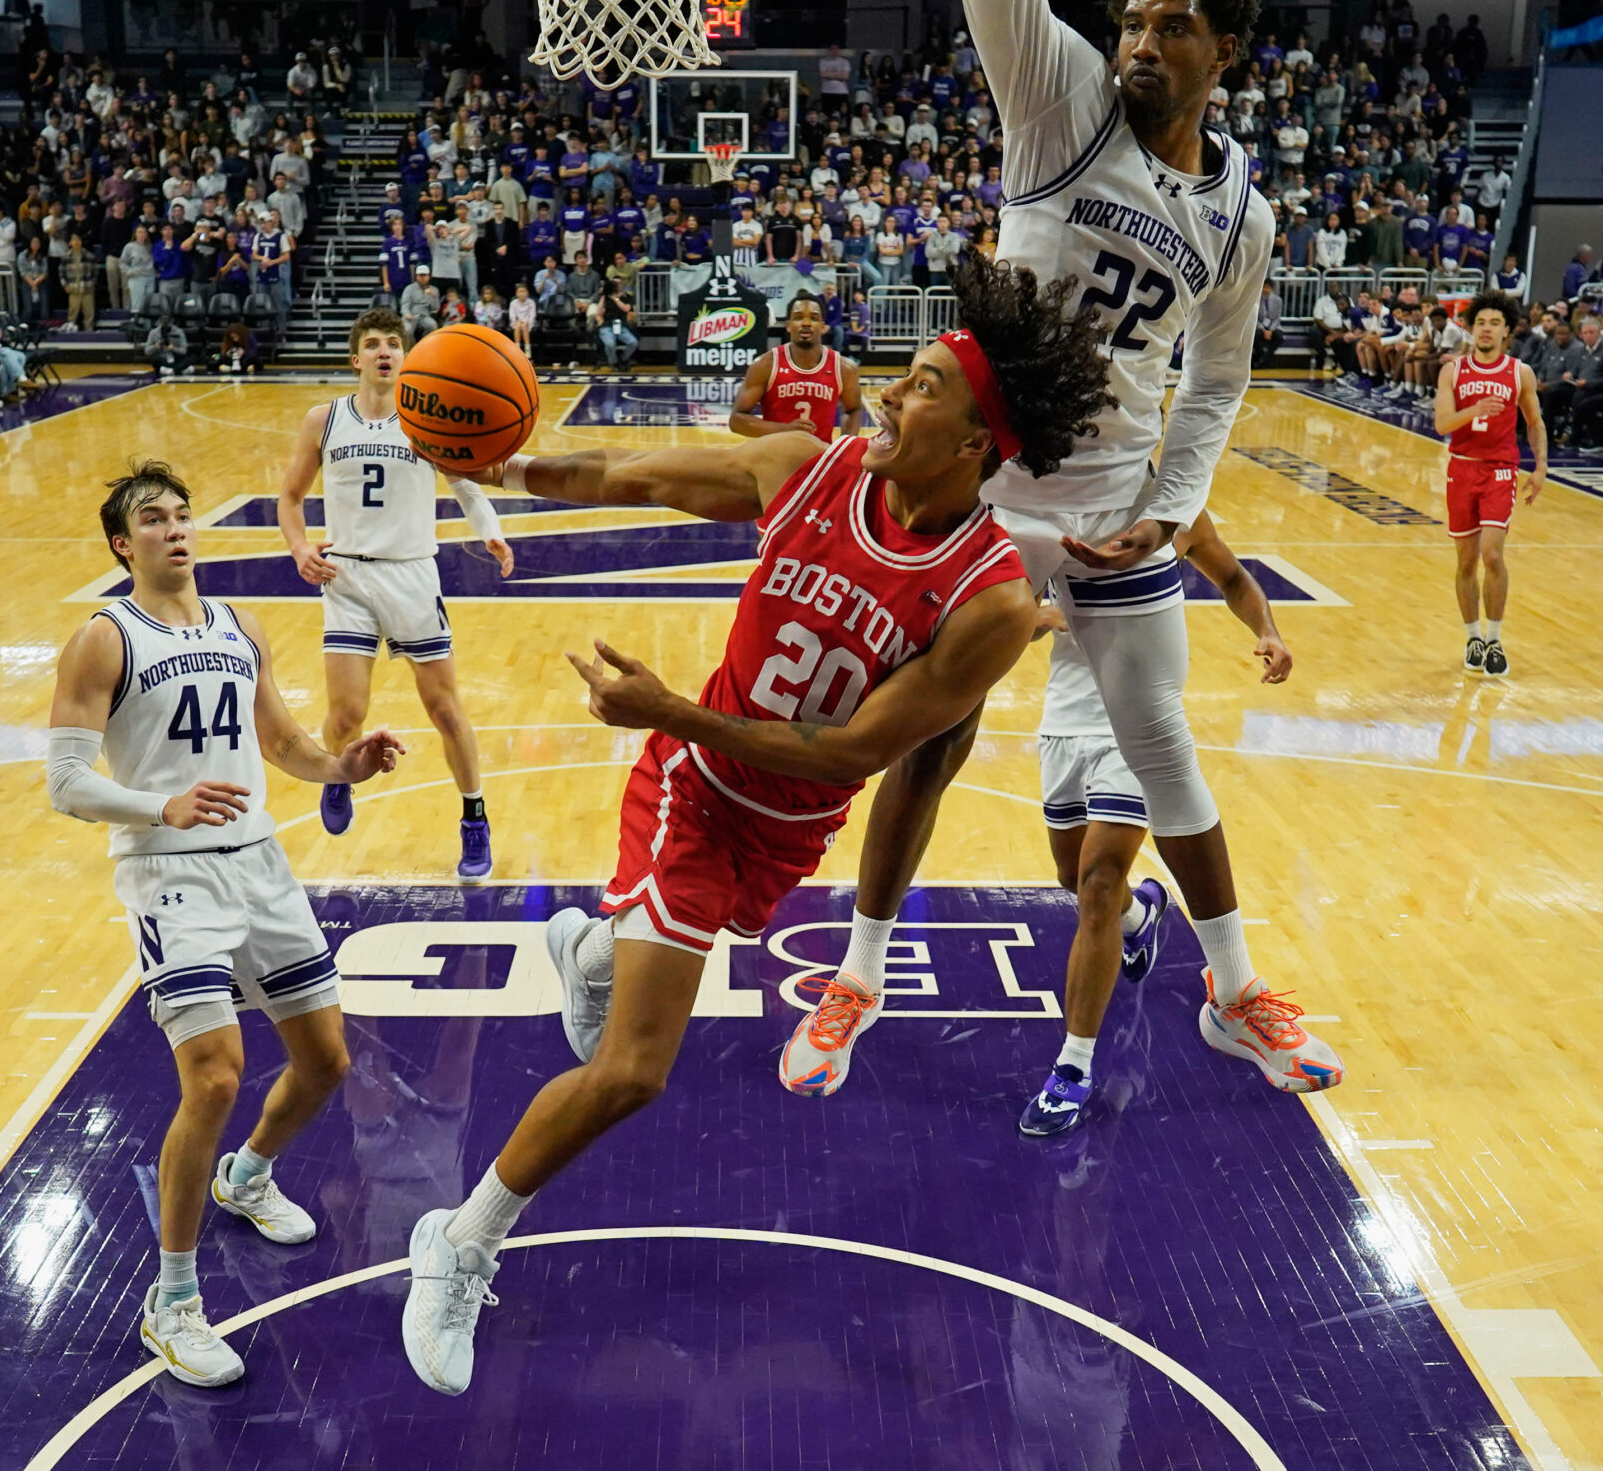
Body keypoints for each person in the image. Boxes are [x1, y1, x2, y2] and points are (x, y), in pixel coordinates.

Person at [393, 247, 1115, 1397]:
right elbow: (631, 474)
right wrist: (500, 460)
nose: (890, 389)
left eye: (923, 383)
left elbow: (853, 753)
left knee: (662, 962)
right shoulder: (804, 467)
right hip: (694, 785)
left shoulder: (986, 603)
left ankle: (585, 943)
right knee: (633, 1070)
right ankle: (460, 1238)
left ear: (979, 440)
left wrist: (667, 703)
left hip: (788, 819)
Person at [783, 0, 1341, 1106]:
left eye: (1174, 25)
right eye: (1132, 21)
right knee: (928, 746)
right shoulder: (1062, 106)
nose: (1143, 42)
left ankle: (1236, 991)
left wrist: (1176, 499)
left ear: (1223, 49)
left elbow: (1218, 382)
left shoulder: (1241, 214)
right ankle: (857, 981)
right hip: (985, 514)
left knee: (1166, 749)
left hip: (1109, 518)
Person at [47, 460, 404, 1387]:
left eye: (181, 515)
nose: (175, 529)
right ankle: (171, 1301)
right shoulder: (102, 638)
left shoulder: (241, 627)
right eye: (152, 520)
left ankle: (245, 1176)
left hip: (261, 866)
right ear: (123, 545)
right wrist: (157, 808)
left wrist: (345, 766)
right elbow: (64, 784)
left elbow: (281, 744)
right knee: (213, 1078)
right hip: (170, 878)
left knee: (326, 1060)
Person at [1020, 511, 1291, 1137]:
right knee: (1073, 877)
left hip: (1137, 725)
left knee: (1095, 884)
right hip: (1066, 721)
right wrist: (1051, 616)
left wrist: (1268, 631)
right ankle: (1142, 919)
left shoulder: (1176, 514)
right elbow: (1023, 618)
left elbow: (1233, 578)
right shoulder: (1050, 512)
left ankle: (1073, 1067)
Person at [277, 309, 513, 879]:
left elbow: (466, 487)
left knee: (445, 709)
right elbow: (289, 499)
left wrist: (493, 533)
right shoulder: (323, 420)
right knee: (345, 714)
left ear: (406, 359)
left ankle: (473, 817)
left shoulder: (428, 422)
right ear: (355, 359)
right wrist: (300, 549)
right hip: (347, 579)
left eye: (394, 345)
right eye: (374, 344)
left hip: (411, 575)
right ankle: (339, 778)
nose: (385, 352)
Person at [1431, 292, 1547, 678]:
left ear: (1507, 331)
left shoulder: (1519, 372)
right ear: (1470, 327)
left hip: (1500, 469)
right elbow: (1442, 425)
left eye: (1495, 323)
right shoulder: (1453, 371)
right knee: (1466, 561)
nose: (1486, 328)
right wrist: (1474, 411)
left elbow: (1534, 422)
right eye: (1481, 322)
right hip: (1462, 469)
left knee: (1492, 554)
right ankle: (1472, 637)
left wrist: (1541, 465)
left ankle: (1495, 639)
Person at [729, 291, 862, 439]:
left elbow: (853, 410)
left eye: (813, 318)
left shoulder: (844, 368)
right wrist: (784, 430)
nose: (806, 323)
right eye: (798, 318)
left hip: (820, 459)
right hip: (775, 458)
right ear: (788, 325)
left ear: (823, 327)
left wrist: (845, 447)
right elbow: (736, 420)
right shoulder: (765, 365)